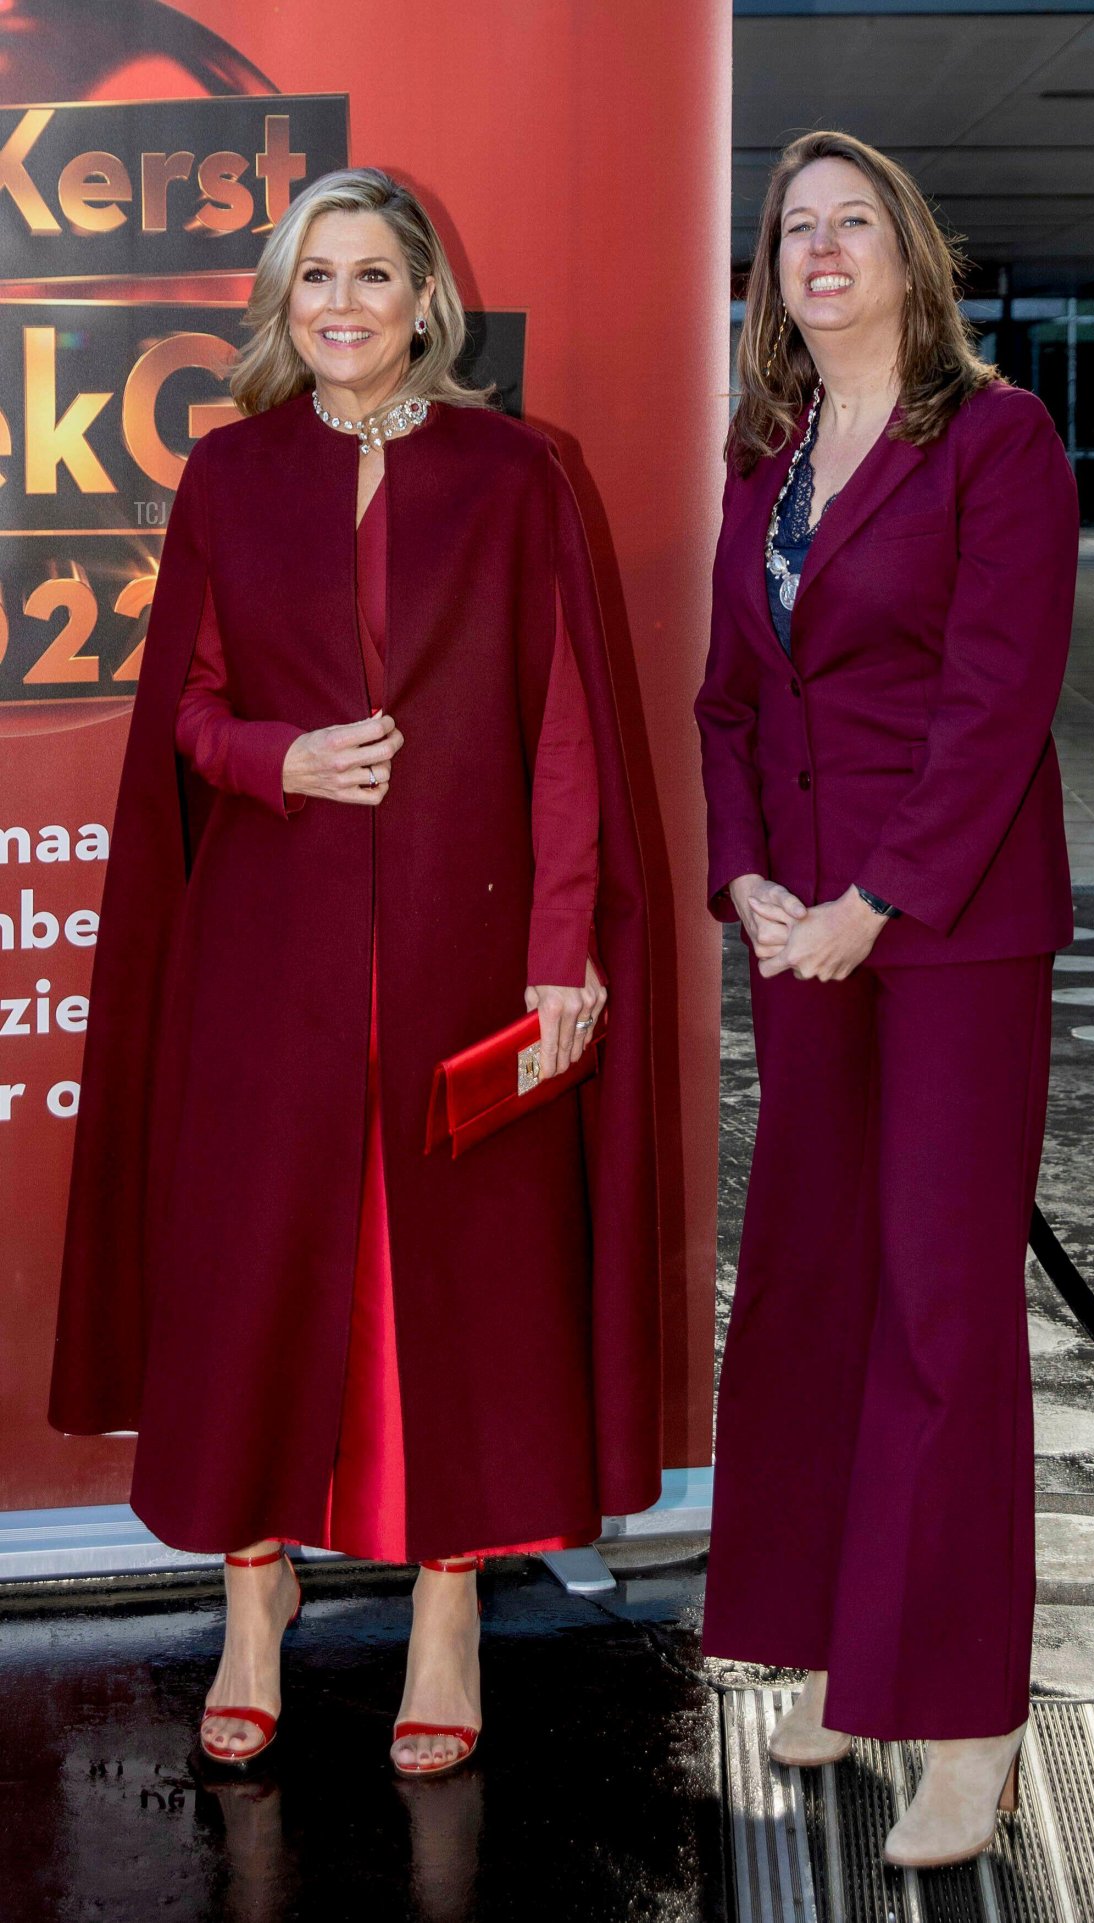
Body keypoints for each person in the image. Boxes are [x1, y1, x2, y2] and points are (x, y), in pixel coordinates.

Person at [50, 167, 659, 1780]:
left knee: (453, 1291)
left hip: (465, 951)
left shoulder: (517, 474)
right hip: (267, 957)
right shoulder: (230, 473)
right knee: (254, 1279)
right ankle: (254, 1601)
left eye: (373, 274)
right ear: (281, 299)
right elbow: (182, 714)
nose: (342, 304)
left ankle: (446, 1612)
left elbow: (569, 736)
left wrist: (561, 957)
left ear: (424, 301)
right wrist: (283, 761)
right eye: (315, 275)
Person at [696, 130, 1078, 1869]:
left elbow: (998, 702)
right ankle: (855, 1665)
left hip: (949, 931)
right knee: (821, 1291)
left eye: (856, 222)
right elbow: (728, 702)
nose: (824, 249)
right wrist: (750, 882)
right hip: (805, 936)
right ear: (771, 271)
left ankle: (971, 1722)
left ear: (913, 255)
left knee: (942, 1313)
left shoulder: (998, 439)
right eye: (798, 228)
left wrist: (875, 899)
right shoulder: (766, 457)